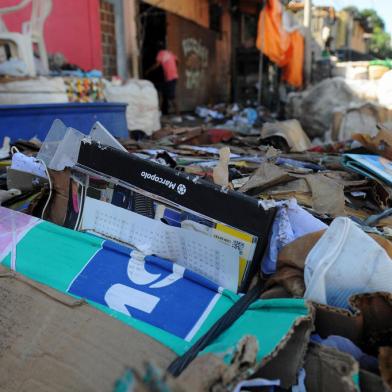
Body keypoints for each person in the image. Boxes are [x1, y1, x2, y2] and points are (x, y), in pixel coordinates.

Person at [146, 42, 181, 121]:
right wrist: (174, 68)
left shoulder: (160, 53)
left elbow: (157, 64)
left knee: (172, 97)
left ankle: (178, 116)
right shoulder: (169, 53)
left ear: (158, 49)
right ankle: (160, 112)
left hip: (170, 77)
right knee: (162, 94)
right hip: (172, 76)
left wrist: (148, 70)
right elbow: (178, 61)